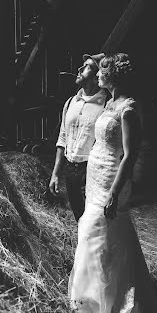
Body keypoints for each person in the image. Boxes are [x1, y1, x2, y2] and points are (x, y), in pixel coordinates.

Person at [68, 53, 157, 313]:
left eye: (103, 72)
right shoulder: (108, 104)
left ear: (114, 77)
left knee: (103, 236)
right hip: (95, 178)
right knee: (94, 237)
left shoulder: (128, 109)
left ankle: (110, 310)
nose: (97, 76)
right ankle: (89, 301)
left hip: (111, 182)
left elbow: (129, 156)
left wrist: (114, 193)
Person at [49, 53, 107, 221]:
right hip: (70, 170)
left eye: (87, 66)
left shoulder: (106, 104)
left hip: (92, 171)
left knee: (94, 221)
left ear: (97, 76)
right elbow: (63, 139)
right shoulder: (71, 102)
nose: (79, 69)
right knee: (79, 219)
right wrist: (56, 174)